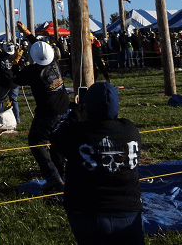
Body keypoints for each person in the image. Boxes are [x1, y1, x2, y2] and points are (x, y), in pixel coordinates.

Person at [50, 82, 144, 245]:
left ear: (88, 107)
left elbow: (55, 137)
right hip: (129, 211)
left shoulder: (77, 133)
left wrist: (75, 112)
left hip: (87, 212)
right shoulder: (130, 130)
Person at [13, 36, 69, 192]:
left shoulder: (32, 71)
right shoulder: (54, 63)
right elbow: (41, 48)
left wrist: (16, 61)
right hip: (64, 108)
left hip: (47, 113)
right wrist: (28, 34)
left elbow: (16, 78)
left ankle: (53, 178)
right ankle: (60, 174)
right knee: (55, 141)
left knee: (36, 142)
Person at [0, 43, 22, 126]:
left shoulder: (0, 57)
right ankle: (17, 119)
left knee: (0, 101)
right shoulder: (16, 56)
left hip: (4, 83)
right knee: (14, 100)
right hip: (14, 82)